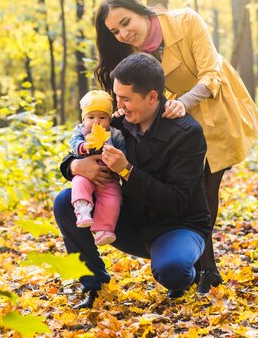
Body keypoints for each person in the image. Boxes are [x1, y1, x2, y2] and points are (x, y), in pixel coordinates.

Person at [90, 0, 258, 294]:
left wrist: (183, 102)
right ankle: (195, 261)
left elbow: (212, 74)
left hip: (215, 107)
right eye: (115, 31)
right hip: (175, 121)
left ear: (141, 10)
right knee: (189, 186)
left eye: (126, 22)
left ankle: (206, 267)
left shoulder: (186, 21)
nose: (123, 33)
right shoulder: (133, 55)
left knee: (208, 187)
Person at [54, 53, 211, 309]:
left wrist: (126, 170)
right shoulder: (117, 124)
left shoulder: (187, 133)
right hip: (131, 220)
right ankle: (95, 283)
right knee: (64, 201)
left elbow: (176, 202)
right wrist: (75, 165)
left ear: (152, 97)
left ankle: (186, 268)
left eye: (126, 99)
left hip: (177, 225)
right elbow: (76, 146)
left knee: (173, 271)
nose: (120, 105)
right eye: (117, 97)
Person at [68, 90, 126, 246]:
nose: (96, 122)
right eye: (91, 117)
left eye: (102, 117)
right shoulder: (81, 131)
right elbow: (73, 144)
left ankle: (103, 229)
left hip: (108, 177)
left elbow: (123, 151)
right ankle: (82, 209)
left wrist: (114, 153)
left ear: (109, 118)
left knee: (113, 197)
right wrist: (83, 146)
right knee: (79, 183)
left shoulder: (115, 134)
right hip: (86, 173)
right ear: (84, 118)